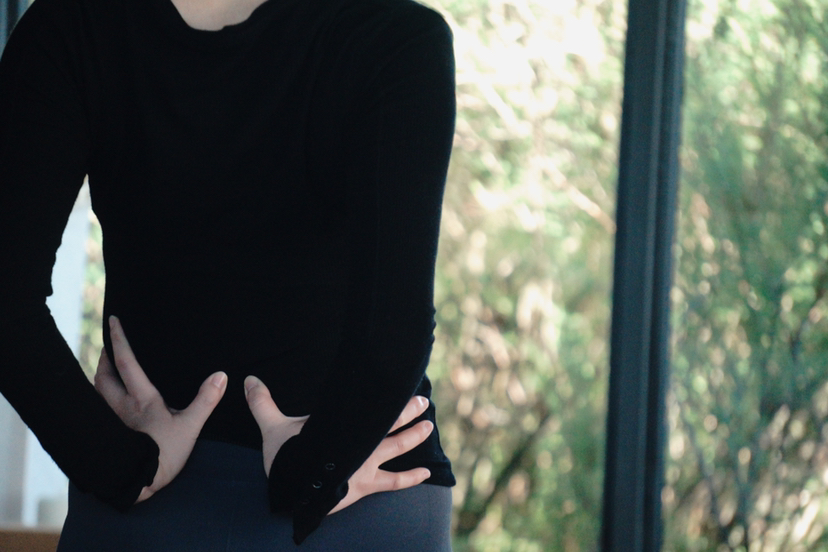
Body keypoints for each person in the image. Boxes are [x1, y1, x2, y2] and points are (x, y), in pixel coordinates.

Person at [0, 0, 457, 545]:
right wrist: (318, 470)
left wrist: (117, 462)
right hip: (343, 483)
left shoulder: (71, 25)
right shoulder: (396, 36)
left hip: (314, 483)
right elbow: (394, 330)